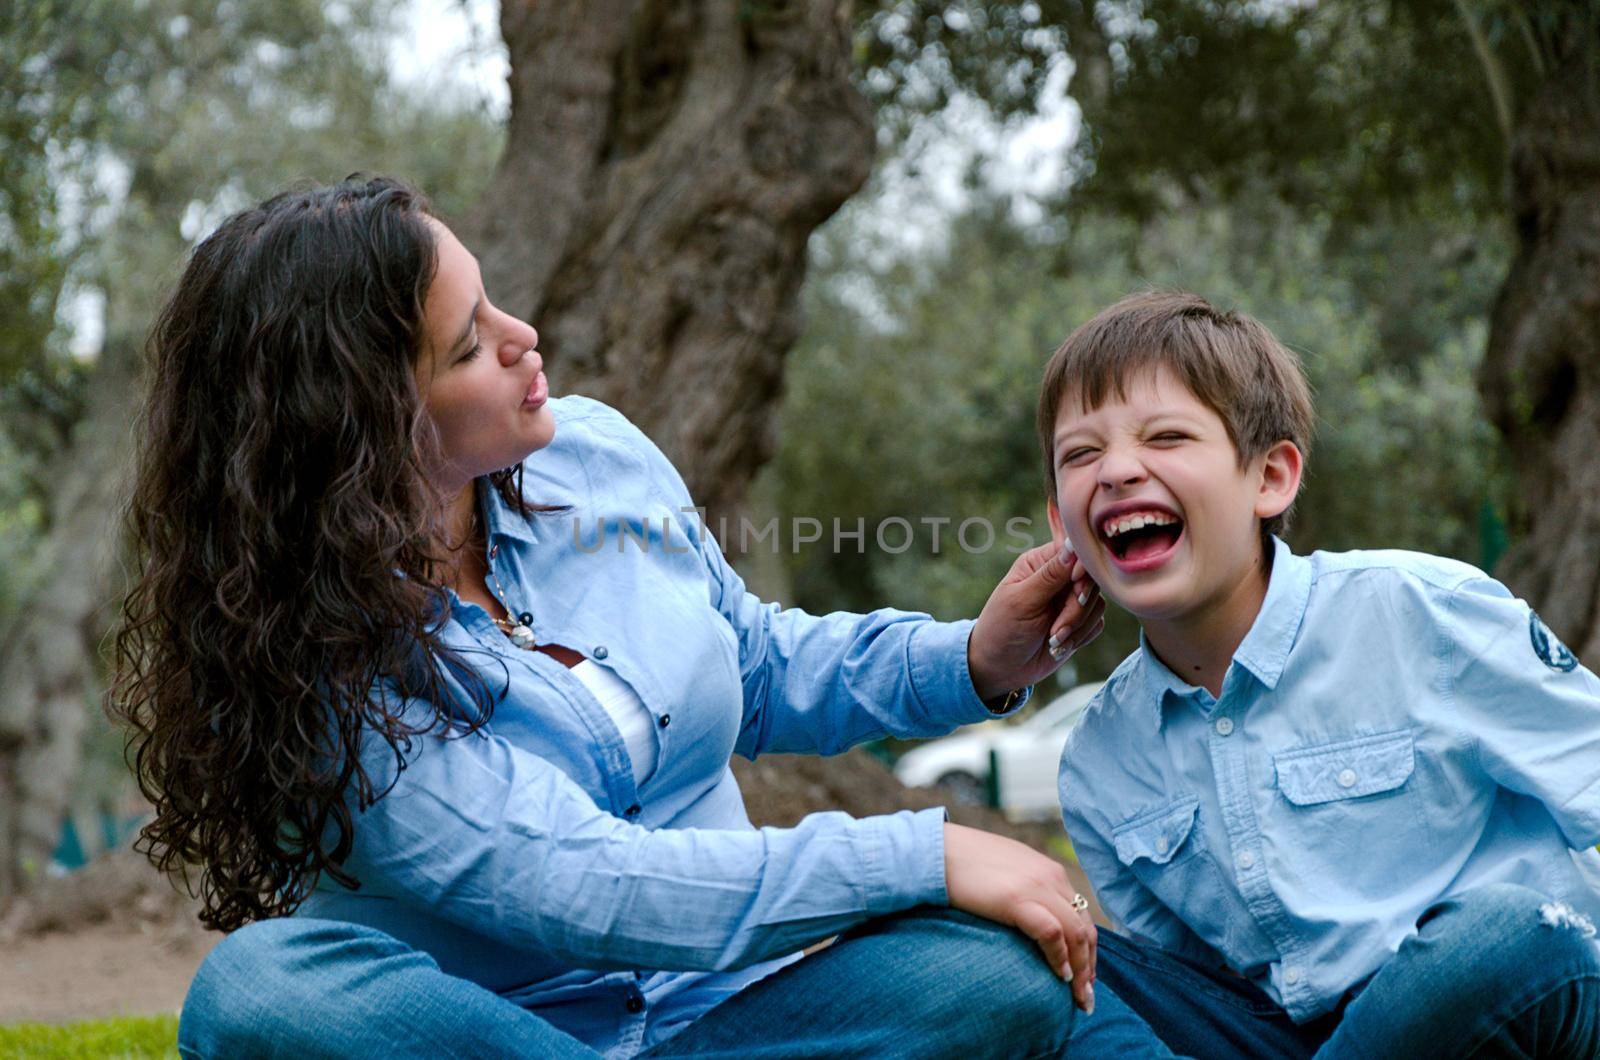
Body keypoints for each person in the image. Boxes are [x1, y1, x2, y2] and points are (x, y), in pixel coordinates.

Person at [110, 176, 1177, 1058]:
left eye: (495, 305)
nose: (526, 339)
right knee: (260, 990)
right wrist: (923, 852)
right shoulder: (314, 661)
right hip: (504, 1035)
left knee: (988, 973)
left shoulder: (596, 457)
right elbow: (581, 881)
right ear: (364, 424)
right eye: (471, 345)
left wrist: (971, 659)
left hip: (729, 1019)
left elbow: (748, 661)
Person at [1040, 290, 1600, 1058]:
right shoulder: (1100, 761)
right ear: (1059, 522)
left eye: (1167, 437)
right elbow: (1200, 996)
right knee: (1045, 954)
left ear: (1270, 477)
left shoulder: (1422, 612)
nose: (1118, 471)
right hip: (1299, 1038)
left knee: (1507, 934)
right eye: (1081, 454)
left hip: (1511, 1003)